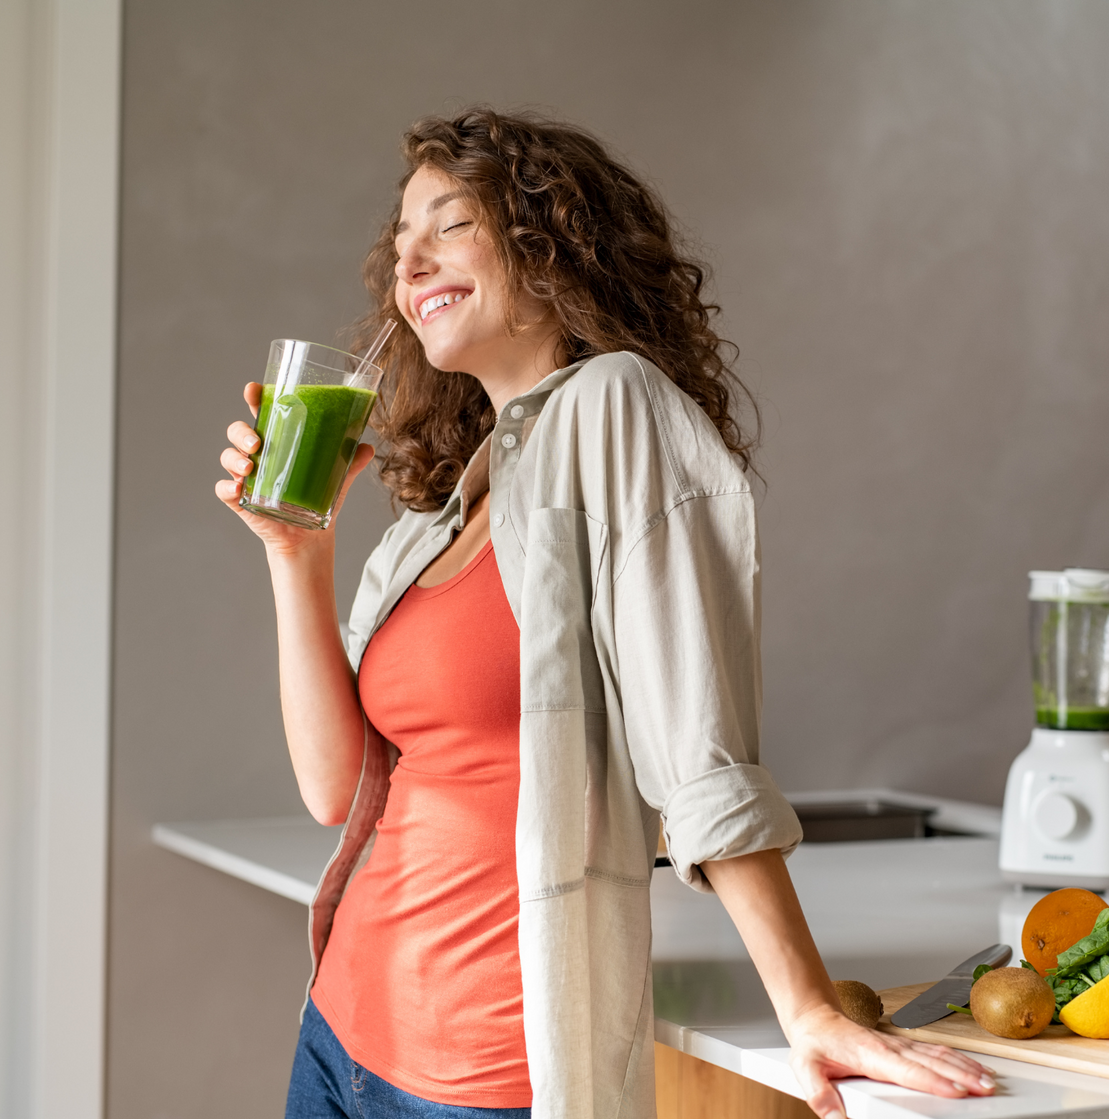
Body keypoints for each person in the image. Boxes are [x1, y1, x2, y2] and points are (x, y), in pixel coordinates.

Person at [217, 109, 995, 1119]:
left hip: (481, 1076)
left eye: (448, 224)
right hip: (336, 1034)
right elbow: (336, 789)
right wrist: (296, 553)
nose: (408, 259)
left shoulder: (615, 409)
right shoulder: (438, 510)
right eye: (399, 239)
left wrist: (806, 1005)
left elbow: (698, 743)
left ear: (549, 244)